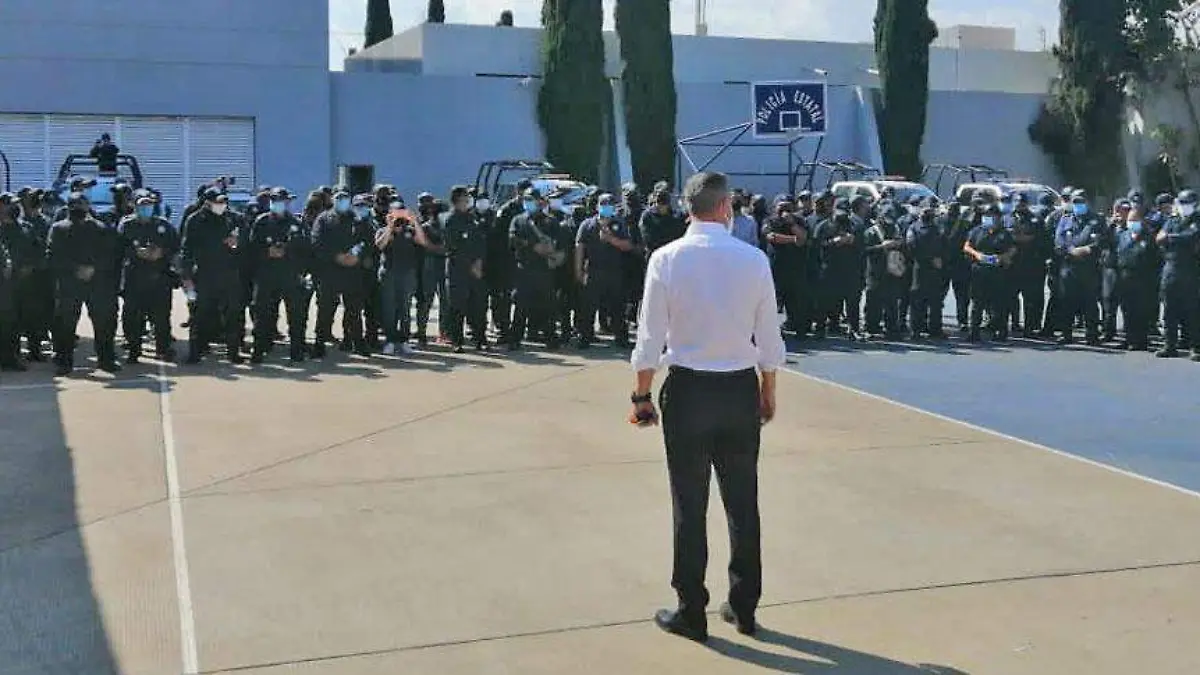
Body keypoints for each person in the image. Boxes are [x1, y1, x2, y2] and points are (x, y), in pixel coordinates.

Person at [630, 171, 785, 644]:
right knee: (743, 502)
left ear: (688, 208)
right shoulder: (753, 259)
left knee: (689, 503)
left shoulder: (667, 258)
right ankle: (744, 606)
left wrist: (641, 395)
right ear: (726, 209)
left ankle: (690, 610)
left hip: (689, 390)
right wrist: (768, 391)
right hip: (738, 388)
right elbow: (770, 337)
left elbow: (650, 334)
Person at [47, 192, 122, 375]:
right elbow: (52, 255)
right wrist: (75, 268)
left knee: (103, 323)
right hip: (69, 285)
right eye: (75, 206)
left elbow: (111, 255)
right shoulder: (59, 228)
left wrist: (94, 269)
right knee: (65, 325)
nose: (79, 209)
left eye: (82, 205)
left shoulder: (100, 228)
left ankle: (106, 360)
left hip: (97, 284)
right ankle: (64, 362)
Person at [181, 188, 245, 364]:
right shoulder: (195, 220)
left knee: (232, 314)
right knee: (200, 315)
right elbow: (186, 250)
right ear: (207, 202)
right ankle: (195, 351)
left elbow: (247, 241)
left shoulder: (233, 218)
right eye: (217, 202)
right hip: (204, 273)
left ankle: (233, 352)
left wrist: (237, 243)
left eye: (223, 202)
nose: (221, 205)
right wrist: (186, 276)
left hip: (229, 272)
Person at [117, 193, 179, 364]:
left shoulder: (163, 225)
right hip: (134, 278)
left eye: (149, 205)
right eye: (142, 205)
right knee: (132, 316)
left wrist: (161, 252)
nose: (146, 208)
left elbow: (176, 247)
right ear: (135, 207)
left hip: (160, 278)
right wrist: (135, 253)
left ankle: (163, 349)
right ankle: (134, 349)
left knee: (161, 316)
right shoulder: (127, 225)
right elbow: (118, 248)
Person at [575, 193, 634, 348]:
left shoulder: (619, 224)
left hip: (614, 271)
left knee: (617, 307)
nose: (606, 207)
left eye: (609, 204)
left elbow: (628, 245)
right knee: (588, 307)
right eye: (603, 204)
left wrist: (611, 239)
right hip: (594, 270)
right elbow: (580, 248)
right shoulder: (587, 224)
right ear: (597, 206)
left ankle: (621, 338)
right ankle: (585, 336)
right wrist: (578, 271)